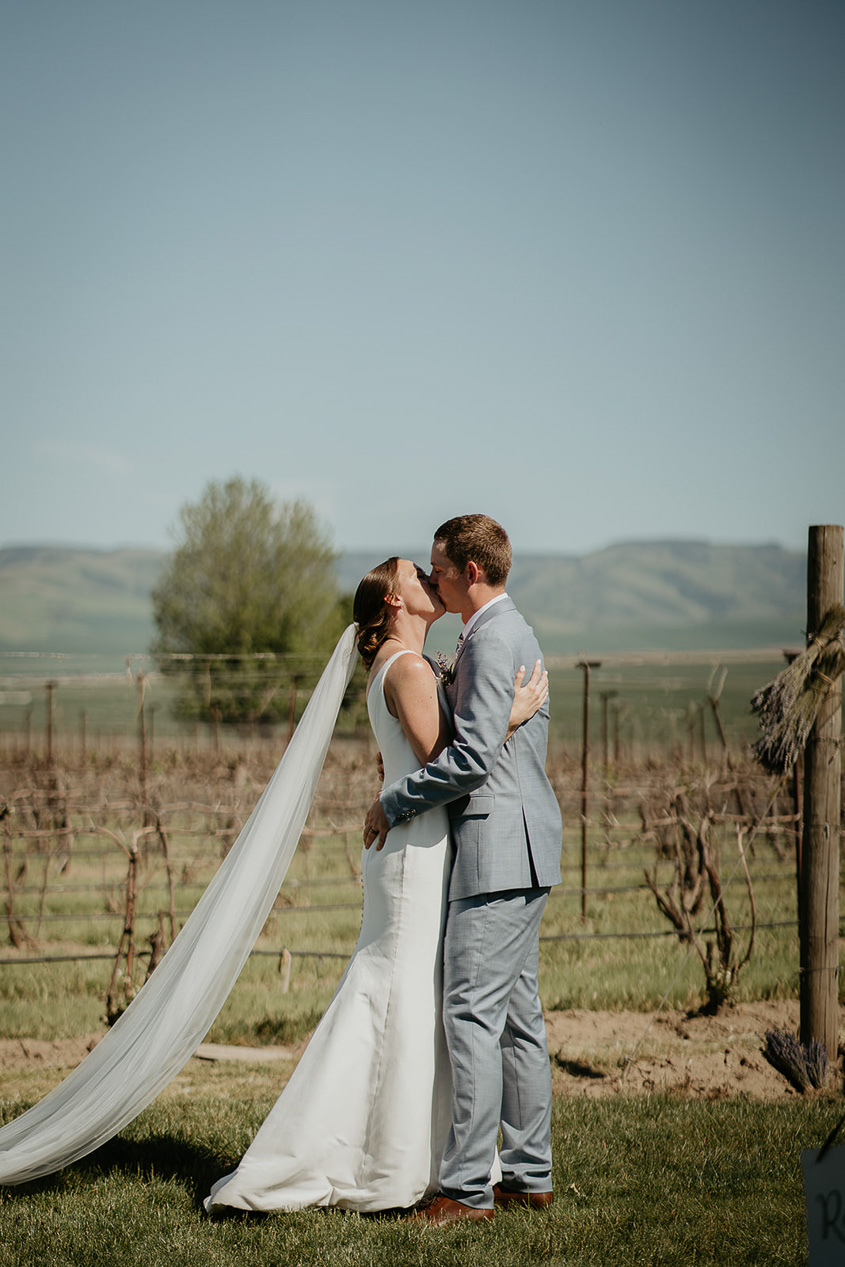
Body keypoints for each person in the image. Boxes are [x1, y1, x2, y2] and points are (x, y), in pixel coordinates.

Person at [204, 557, 547, 1214]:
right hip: (415, 848)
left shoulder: (399, 663)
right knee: (395, 989)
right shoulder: (410, 667)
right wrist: (507, 716)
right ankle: (365, 1159)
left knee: (412, 994)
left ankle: (408, 1153)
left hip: (414, 838)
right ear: (393, 600)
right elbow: (449, 760)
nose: (429, 575)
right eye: (416, 573)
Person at [364, 516, 563, 1225]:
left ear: (470, 570)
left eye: (439, 569)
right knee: (514, 1018)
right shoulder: (497, 632)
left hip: (496, 846)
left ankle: (467, 1190)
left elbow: (471, 759)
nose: (434, 581)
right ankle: (529, 1173)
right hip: (523, 846)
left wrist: (395, 796)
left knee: (471, 1012)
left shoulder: (492, 636)